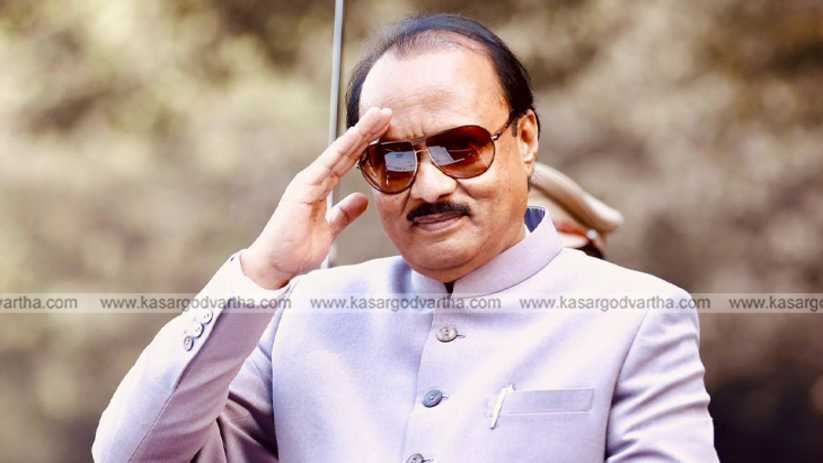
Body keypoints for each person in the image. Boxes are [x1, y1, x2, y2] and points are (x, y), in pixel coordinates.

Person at [93, 14, 719, 463]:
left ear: (525, 138)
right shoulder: (300, 316)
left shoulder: (636, 317)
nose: (428, 186)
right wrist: (261, 272)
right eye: (391, 159)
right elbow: (131, 455)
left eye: (461, 147)